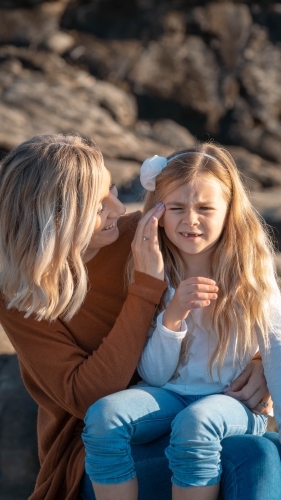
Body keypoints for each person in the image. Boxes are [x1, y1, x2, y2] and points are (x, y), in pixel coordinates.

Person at [0, 134, 279, 500]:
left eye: (113, 189)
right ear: (57, 217)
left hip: (205, 408)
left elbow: (254, 305)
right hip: (108, 440)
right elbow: (89, 399)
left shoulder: (149, 231)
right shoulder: (21, 296)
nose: (119, 207)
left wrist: (257, 360)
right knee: (253, 455)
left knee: (254, 452)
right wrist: (146, 288)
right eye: (99, 204)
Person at [82, 144, 281, 500]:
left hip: (231, 402)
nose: (190, 220)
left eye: (205, 208)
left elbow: (276, 347)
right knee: (103, 419)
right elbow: (155, 376)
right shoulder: (152, 267)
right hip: (167, 395)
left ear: (229, 211)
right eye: (177, 208)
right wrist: (173, 317)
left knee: (196, 424)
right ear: (158, 212)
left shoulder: (250, 271)